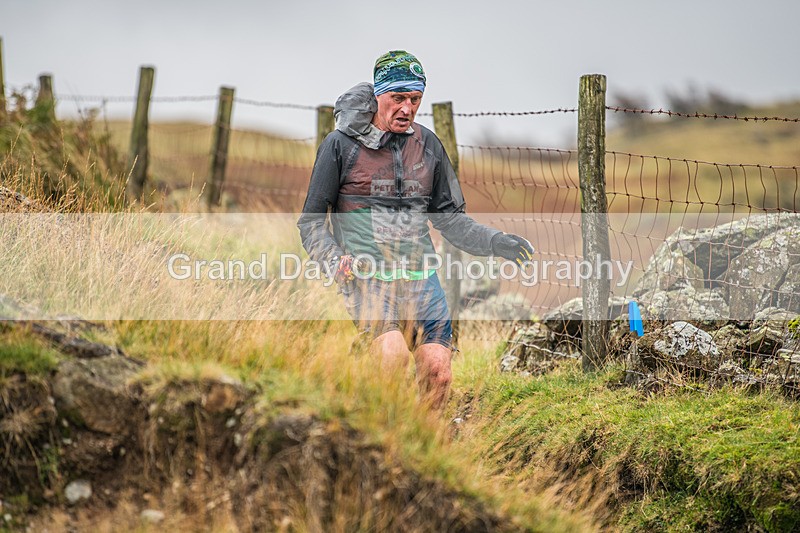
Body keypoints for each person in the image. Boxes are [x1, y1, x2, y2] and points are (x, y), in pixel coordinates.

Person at [297, 50, 533, 411]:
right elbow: (311, 222)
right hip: (368, 278)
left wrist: (495, 242)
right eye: (398, 98)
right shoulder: (339, 145)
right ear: (378, 94)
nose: (407, 108)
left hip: (423, 279)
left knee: (438, 374)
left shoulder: (429, 145)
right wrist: (333, 259)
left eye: (415, 99)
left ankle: (428, 444)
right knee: (392, 360)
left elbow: (450, 219)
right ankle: (384, 441)